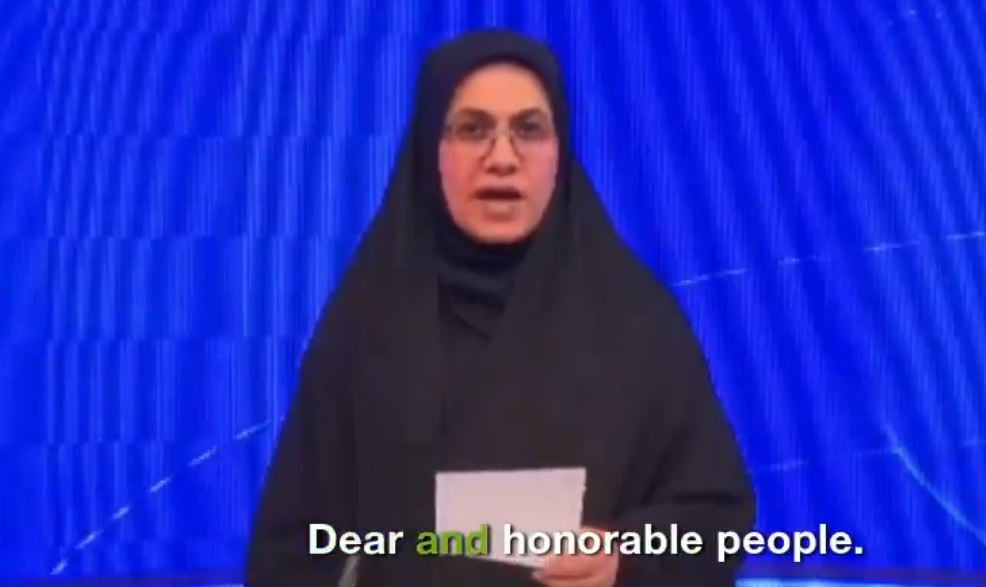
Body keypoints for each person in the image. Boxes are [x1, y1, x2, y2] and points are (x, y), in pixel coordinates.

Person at [245, 29, 756, 587]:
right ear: (430, 150)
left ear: (560, 152)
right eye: (472, 130)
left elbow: (715, 517)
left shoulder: (638, 324)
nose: (503, 158)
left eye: (529, 130)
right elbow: (291, 547)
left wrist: (626, 559)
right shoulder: (366, 326)